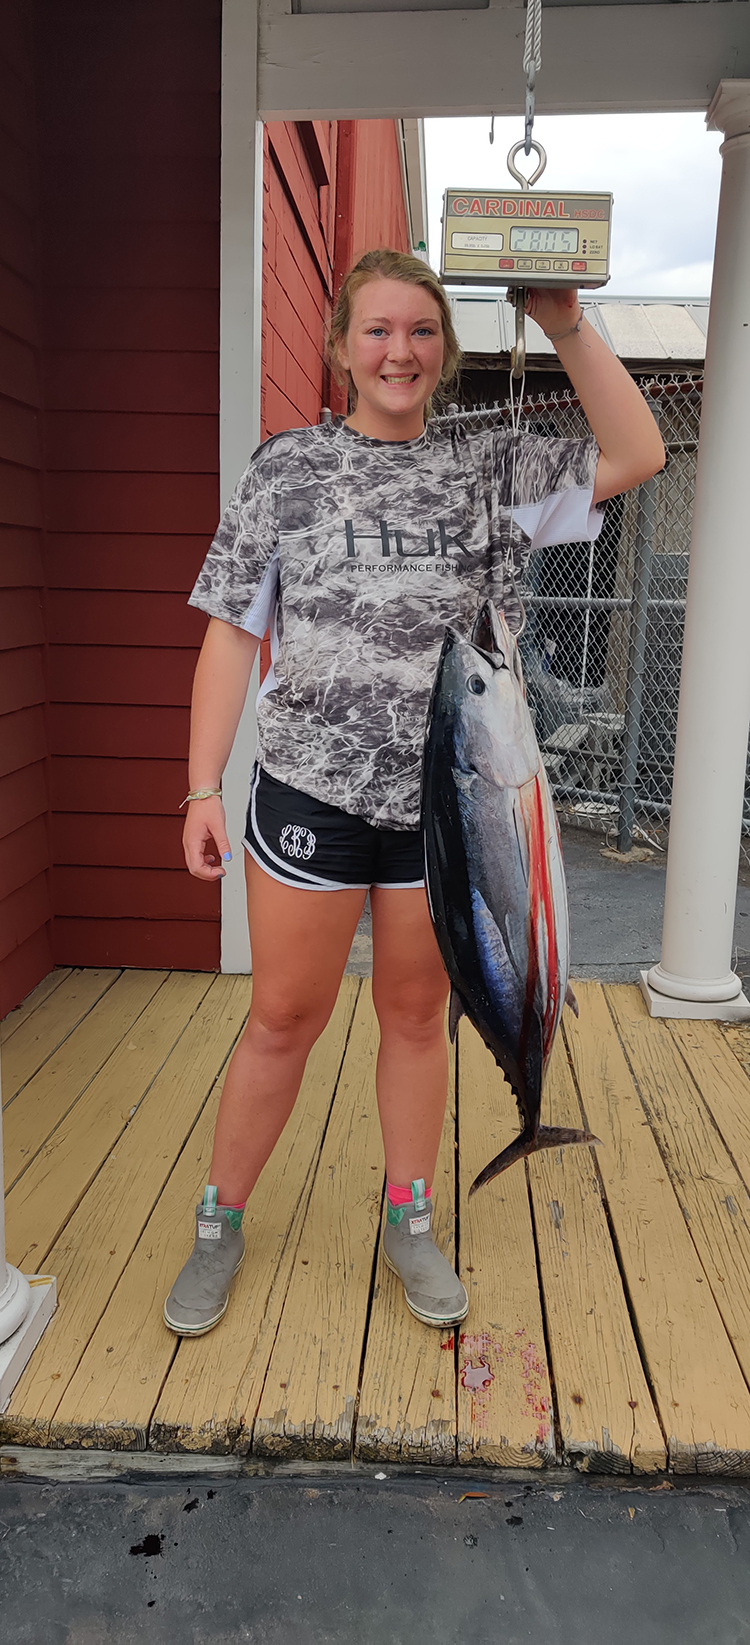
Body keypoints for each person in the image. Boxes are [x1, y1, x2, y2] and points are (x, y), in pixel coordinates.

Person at [163, 248, 664, 1337]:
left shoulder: (492, 468)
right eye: (379, 330)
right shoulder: (286, 469)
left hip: (456, 805)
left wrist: (570, 323)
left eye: (422, 331)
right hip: (309, 790)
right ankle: (220, 1220)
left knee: (414, 1015)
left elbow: (639, 450)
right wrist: (203, 784)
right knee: (281, 1017)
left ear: (446, 352)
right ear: (342, 347)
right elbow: (229, 634)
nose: (400, 350)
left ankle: (408, 1213)